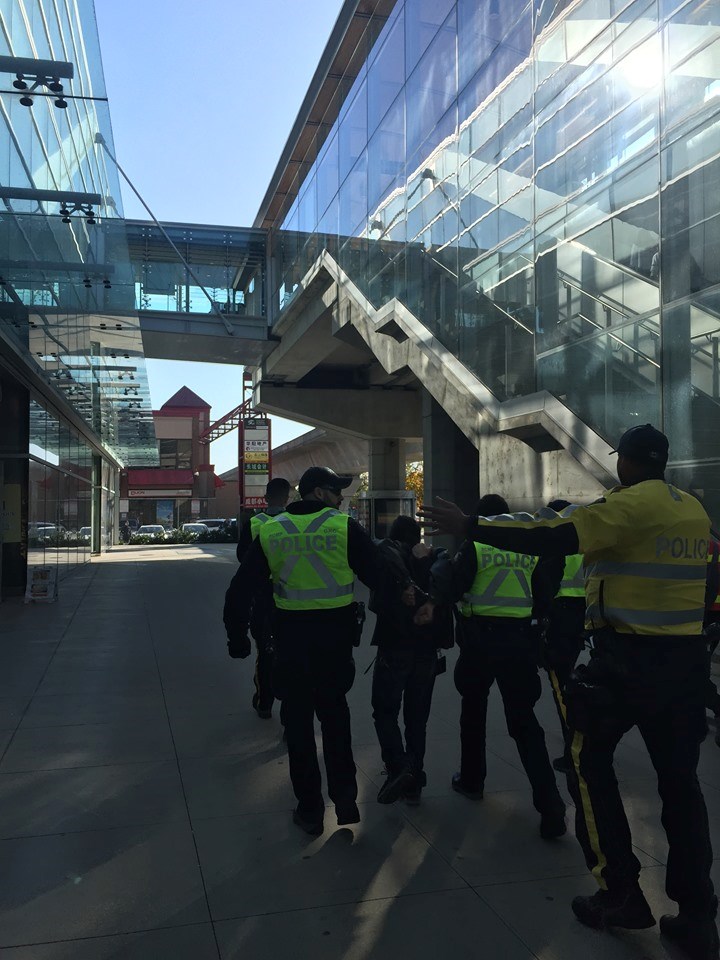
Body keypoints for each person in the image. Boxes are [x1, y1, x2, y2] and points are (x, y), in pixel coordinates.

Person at [418, 424, 717, 960]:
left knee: (587, 763)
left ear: (625, 461)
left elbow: (550, 538)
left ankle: (620, 891)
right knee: (682, 787)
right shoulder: (692, 510)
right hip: (685, 665)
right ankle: (697, 916)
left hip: (627, 662)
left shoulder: (625, 506)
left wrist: (472, 526)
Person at [224, 465, 405, 837]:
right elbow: (380, 579)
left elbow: (240, 591)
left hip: (290, 644)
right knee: (336, 719)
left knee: (299, 727)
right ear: (319, 493)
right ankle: (345, 800)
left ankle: (309, 811)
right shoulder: (342, 527)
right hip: (335, 645)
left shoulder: (273, 530)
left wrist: (238, 638)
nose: (341, 498)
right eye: (336, 491)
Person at [420, 493, 567, 839]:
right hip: (519, 644)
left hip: (480, 644)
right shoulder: (526, 550)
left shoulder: (476, 546)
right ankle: (552, 806)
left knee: (473, 713)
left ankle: (472, 780)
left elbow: (454, 587)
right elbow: (544, 596)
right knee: (525, 724)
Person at [370, 515, 453, 806]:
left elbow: (383, 552)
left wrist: (404, 584)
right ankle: (413, 779)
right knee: (418, 719)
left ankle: (398, 766)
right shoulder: (436, 560)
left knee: (385, 711)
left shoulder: (391, 560)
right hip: (427, 652)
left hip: (395, 650)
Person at [233, 477, 291, 719]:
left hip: (262, 598)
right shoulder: (295, 524)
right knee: (290, 654)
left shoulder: (255, 523)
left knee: (265, 652)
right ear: (288, 499)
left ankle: (265, 702)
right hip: (290, 599)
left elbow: (241, 558)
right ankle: (291, 707)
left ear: (265, 499)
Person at [542, 498, 586, 774]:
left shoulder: (556, 542)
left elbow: (546, 581)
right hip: (584, 615)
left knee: (563, 690)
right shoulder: (585, 541)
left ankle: (575, 751)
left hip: (560, 616)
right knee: (575, 682)